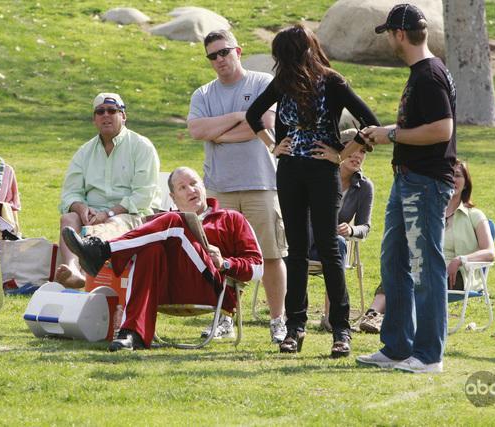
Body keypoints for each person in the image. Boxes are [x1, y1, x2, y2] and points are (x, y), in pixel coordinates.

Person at [246, 25, 380, 357]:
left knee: (329, 248)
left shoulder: (333, 82)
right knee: (297, 252)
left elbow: (370, 120)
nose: (281, 63)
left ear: (298, 52)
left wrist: (341, 154)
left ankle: (341, 331)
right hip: (290, 172)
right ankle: (295, 329)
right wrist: (275, 145)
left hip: (323, 173)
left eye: (283, 55)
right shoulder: (283, 84)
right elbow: (253, 115)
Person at [61, 167, 263, 351]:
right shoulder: (162, 224)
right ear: (173, 197)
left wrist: (225, 263)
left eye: (194, 184)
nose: (190, 190)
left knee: (175, 222)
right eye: (182, 188)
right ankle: (133, 333)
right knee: (151, 248)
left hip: (209, 287)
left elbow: (257, 267)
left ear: (203, 186)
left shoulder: (231, 218)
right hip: (166, 288)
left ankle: (102, 251)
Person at [357, 4, 457, 373]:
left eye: (390, 35)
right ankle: (398, 347)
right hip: (408, 178)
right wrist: (383, 134)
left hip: (425, 183)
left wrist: (391, 135)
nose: (390, 42)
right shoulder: (424, 72)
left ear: (400, 34)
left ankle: (429, 355)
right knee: (393, 259)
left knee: (424, 266)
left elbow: (442, 129)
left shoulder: (429, 74)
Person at [187, 30, 288, 344]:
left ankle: (278, 321)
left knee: (270, 255)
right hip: (220, 188)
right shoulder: (203, 94)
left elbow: (263, 125)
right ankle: (224, 318)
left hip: (261, 185)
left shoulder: (260, 83)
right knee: (220, 257)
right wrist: (240, 116)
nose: (219, 60)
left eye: (224, 52)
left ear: (238, 51)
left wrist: (219, 132)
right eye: (212, 56)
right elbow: (196, 129)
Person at [357, 159, 495, 334]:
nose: (453, 179)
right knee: (399, 267)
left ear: (466, 183)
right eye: (449, 175)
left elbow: (490, 253)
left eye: (458, 175)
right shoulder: (431, 210)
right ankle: (373, 314)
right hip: (427, 266)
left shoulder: (474, 215)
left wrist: (461, 260)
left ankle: (387, 318)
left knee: (419, 274)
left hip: (457, 275)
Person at [57, 92, 160, 289]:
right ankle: (73, 270)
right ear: (94, 119)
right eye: (100, 111)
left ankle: (88, 253)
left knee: (114, 223)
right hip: (93, 214)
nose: (106, 115)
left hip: (131, 215)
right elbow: (69, 193)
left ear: (123, 116)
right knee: (69, 218)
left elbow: (143, 196)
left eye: (112, 110)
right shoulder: (84, 152)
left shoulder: (141, 146)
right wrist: (81, 209)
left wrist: (108, 213)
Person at [308, 129, 374, 332]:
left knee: (340, 243)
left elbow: (366, 227)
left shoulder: (364, 187)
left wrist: (351, 229)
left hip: (334, 247)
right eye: (353, 148)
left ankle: (331, 318)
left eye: (362, 151)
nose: (357, 155)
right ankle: (291, 315)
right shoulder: (317, 173)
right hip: (305, 240)